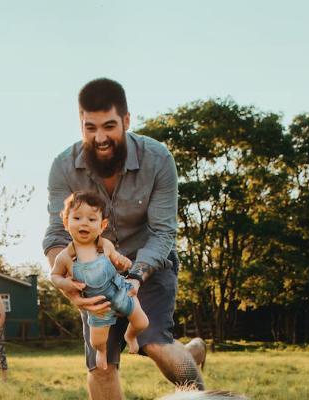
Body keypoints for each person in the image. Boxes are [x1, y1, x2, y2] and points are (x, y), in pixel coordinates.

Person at [43, 77, 205, 399]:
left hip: (149, 264)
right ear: (81, 124)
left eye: (109, 126)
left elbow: (162, 233)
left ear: (126, 121)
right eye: (90, 128)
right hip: (94, 274)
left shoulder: (158, 159)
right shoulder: (63, 167)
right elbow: (57, 234)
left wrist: (134, 277)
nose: (100, 138)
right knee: (101, 366)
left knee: (154, 342)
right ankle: (191, 354)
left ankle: (193, 375)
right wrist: (65, 280)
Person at [51, 191, 149, 370]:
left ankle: (130, 336)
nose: (84, 223)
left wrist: (124, 262)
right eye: (77, 217)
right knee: (97, 340)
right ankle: (101, 351)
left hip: (120, 290)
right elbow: (54, 276)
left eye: (91, 219)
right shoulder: (65, 257)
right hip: (99, 305)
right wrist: (65, 283)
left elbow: (117, 259)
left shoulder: (105, 246)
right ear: (66, 222)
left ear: (102, 225)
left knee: (142, 322)